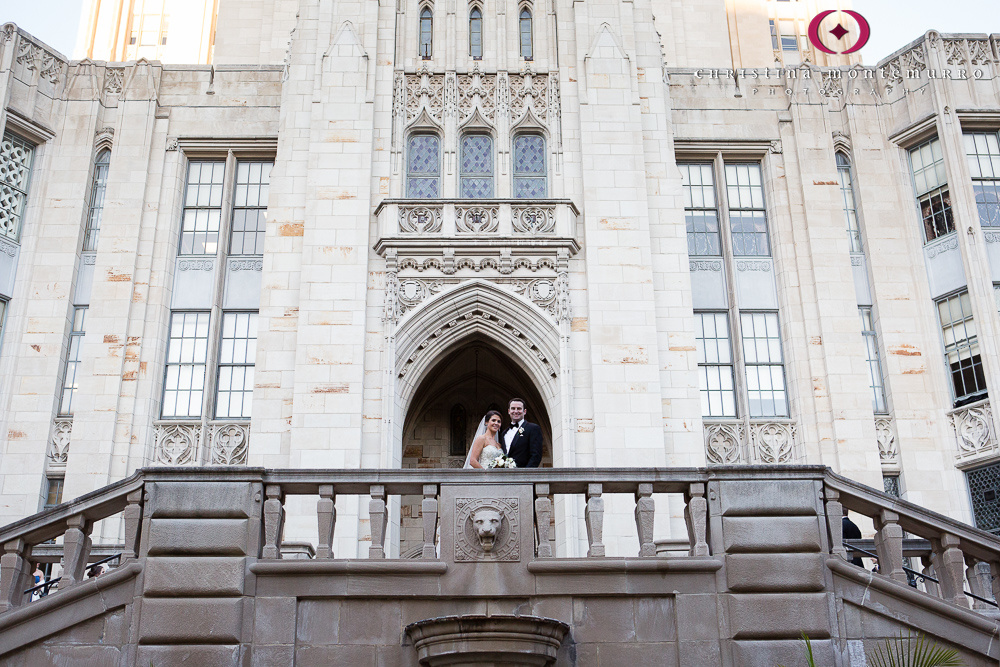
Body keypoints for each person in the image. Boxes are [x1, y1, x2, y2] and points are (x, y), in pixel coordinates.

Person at [502, 398, 543, 468]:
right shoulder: (504, 433)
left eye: (519, 408)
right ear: (509, 411)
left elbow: (536, 455)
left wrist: (525, 475)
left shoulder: (533, 428)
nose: (516, 411)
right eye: (513, 408)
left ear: (525, 411)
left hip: (524, 475)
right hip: (505, 476)